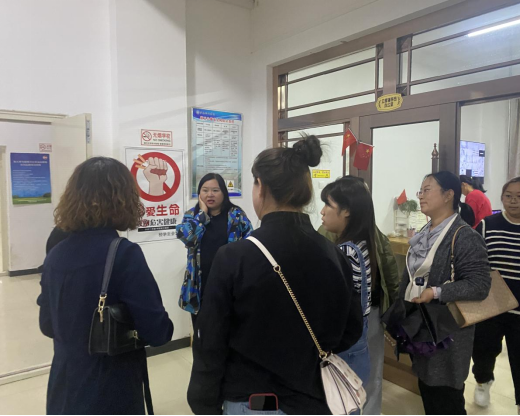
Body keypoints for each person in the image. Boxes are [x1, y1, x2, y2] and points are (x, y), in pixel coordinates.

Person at [187, 136, 363, 416]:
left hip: (254, 399)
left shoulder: (234, 257)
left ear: (261, 187)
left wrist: (204, 403)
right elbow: (351, 329)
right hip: (315, 398)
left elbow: (210, 343)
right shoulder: (334, 253)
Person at [38, 157, 174, 415]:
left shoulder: (55, 254)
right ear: (124, 199)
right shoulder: (124, 254)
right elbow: (158, 332)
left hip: (63, 390)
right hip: (110, 391)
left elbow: (47, 325)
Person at [399, 171, 491, 416]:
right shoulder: (425, 231)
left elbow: (480, 284)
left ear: (449, 195)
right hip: (421, 324)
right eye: (420, 190)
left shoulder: (464, 236)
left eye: (427, 190)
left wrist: (437, 292)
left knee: (445, 397)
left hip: (447, 330)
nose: (421, 195)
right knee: (428, 389)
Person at [319, 177, 399, 416]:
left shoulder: (345, 250)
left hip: (347, 336)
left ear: (347, 210)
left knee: (345, 395)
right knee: (363, 383)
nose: (322, 211)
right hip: (361, 327)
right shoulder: (363, 240)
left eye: (328, 204)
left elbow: (334, 305)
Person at [472, 177, 520, 416]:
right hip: (491, 303)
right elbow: (474, 259)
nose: (513, 201)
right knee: (483, 349)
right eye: (508, 196)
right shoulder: (487, 225)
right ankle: (483, 381)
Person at [177, 173, 253, 319]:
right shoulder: (192, 215)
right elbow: (187, 238)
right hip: (200, 284)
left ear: (224, 192)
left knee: (229, 325)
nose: (210, 195)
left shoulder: (236, 215)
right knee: (202, 328)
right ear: (199, 193)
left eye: (215, 190)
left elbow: (250, 243)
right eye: (205, 190)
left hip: (230, 282)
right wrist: (202, 215)